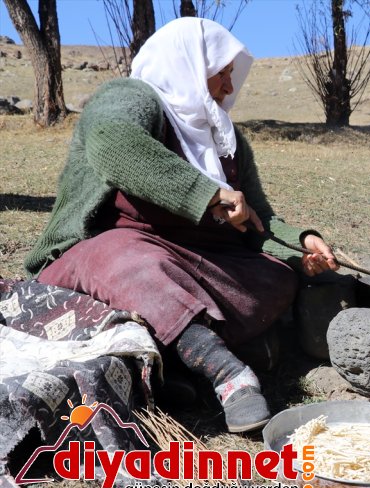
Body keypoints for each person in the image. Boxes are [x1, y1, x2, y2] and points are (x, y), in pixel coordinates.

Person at [23, 17, 339, 433]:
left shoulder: (226, 139)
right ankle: (228, 374)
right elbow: (112, 141)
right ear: (186, 65)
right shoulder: (130, 98)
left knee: (275, 277)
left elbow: (260, 219)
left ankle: (171, 366)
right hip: (103, 257)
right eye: (219, 74)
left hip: (195, 261)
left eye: (230, 75)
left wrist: (301, 246)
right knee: (132, 262)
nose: (229, 87)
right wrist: (209, 194)